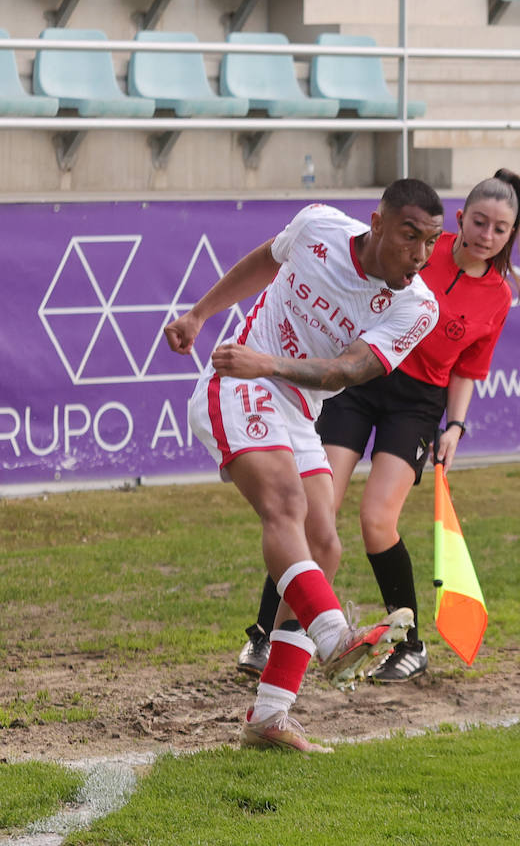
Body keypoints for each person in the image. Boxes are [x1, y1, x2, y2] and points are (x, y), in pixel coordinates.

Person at [164, 179, 445, 754]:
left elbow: (346, 371)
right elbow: (266, 262)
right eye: (410, 237)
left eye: (432, 242)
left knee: (324, 544)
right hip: (237, 383)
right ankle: (334, 634)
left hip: (292, 400)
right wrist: (198, 314)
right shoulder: (318, 226)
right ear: (378, 223)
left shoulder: (417, 304)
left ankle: (270, 715)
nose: (420, 256)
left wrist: (271, 362)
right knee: (286, 507)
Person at [236, 170, 520, 684]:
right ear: (459, 220)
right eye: (479, 222)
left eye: (500, 229)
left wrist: (454, 425)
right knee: (311, 509)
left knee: (377, 522)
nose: (487, 235)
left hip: (416, 403)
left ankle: (409, 645)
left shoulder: (499, 296)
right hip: (359, 381)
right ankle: (266, 635)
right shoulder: (418, 248)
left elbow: (468, 369)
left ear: (511, 234)